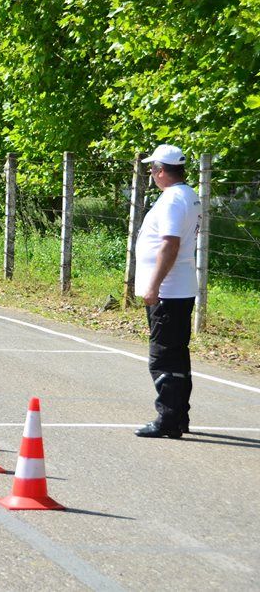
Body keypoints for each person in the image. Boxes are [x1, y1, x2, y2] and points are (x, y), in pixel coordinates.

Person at [134, 144, 201, 438]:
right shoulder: (187, 195)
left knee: (163, 357)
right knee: (177, 355)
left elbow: (170, 244)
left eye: (152, 168)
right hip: (178, 287)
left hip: (169, 290)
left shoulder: (173, 200)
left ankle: (169, 420)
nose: (150, 173)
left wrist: (154, 283)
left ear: (161, 170)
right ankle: (178, 416)